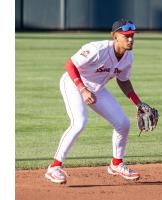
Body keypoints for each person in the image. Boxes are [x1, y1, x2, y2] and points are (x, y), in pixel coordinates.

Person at [45, 19, 150, 184]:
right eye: (126, 36)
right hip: (73, 83)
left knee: (123, 123)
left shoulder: (128, 57)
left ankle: (116, 164)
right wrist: (82, 89)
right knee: (79, 123)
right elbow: (70, 64)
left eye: (132, 36)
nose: (130, 40)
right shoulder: (97, 49)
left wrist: (138, 103)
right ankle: (54, 167)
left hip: (96, 88)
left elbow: (123, 80)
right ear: (115, 36)